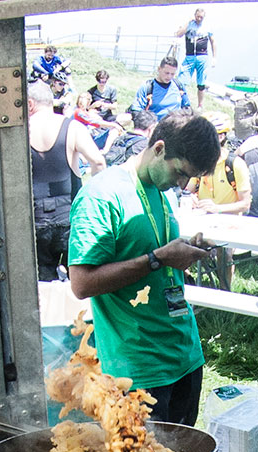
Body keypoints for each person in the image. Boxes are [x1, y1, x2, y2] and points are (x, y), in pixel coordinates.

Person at [67, 109, 220, 425]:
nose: (183, 183)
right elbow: (81, 283)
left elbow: (155, 251)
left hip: (184, 355)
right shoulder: (101, 195)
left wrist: (186, 252)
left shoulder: (161, 190)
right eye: (180, 173)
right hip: (137, 370)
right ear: (159, 148)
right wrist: (158, 258)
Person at [29, 81, 103, 280]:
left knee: (42, 284)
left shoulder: (21, 131)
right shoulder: (72, 126)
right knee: (77, 281)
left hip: (35, 219)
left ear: (29, 104)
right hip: (70, 218)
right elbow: (98, 161)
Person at [193, 122, 251, 215]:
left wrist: (217, 208)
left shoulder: (236, 164)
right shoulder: (198, 162)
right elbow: (188, 190)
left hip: (228, 224)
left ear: (221, 137)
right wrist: (190, 198)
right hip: (202, 221)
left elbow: (245, 204)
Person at [130, 56, 192, 120]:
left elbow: (187, 108)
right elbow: (136, 111)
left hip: (175, 127)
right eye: (166, 73)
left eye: (172, 74)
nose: (169, 76)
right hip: (155, 127)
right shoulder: (148, 87)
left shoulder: (179, 86)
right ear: (159, 69)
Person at [175, 7, 214, 96]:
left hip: (202, 56)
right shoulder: (189, 25)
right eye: (198, 17)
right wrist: (187, 22)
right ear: (194, 16)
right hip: (190, 55)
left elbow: (213, 42)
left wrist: (214, 57)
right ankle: (180, 102)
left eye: (201, 17)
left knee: (201, 83)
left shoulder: (207, 27)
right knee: (182, 82)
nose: (199, 19)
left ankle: (200, 105)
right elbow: (178, 34)